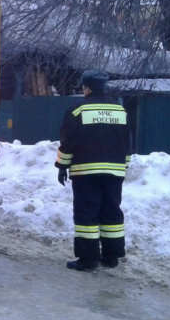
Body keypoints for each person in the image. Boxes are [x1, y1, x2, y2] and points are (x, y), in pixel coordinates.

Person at [55, 70, 132, 271]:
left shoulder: (77, 110)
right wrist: (124, 164)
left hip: (85, 170)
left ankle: (88, 259)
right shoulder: (119, 110)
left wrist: (62, 165)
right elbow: (126, 141)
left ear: (86, 87)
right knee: (111, 211)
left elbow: (68, 141)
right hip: (114, 170)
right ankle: (111, 256)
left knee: (86, 213)